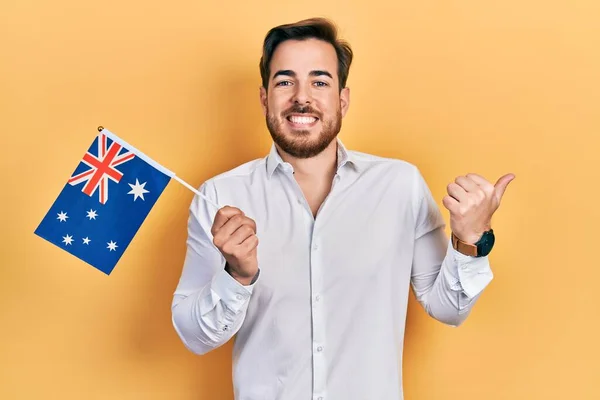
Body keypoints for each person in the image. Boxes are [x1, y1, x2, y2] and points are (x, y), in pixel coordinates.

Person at [171, 17, 514, 400]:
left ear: (342, 100)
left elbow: (449, 308)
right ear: (265, 97)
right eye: (285, 81)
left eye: (320, 82)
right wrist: (237, 276)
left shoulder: (399, 185)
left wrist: (470, 240)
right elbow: (193, 336)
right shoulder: (218, 196)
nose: (302, 97)